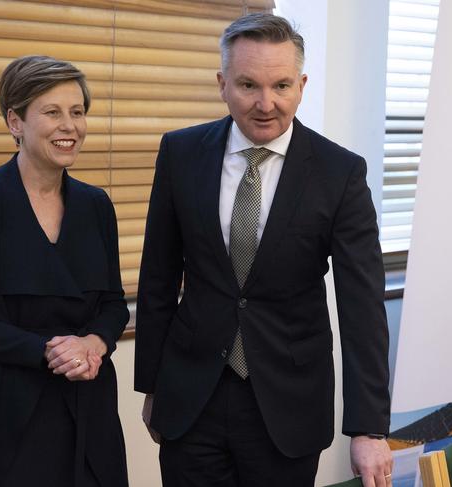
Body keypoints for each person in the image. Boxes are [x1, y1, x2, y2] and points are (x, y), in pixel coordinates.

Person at [134, 13, 392, 487]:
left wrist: (369, 427)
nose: (265, 103)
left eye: (281, 85)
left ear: (302, 85)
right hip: (192, 400)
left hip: (288, 408)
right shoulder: (180, 153)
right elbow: (157, 279)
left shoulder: (341, 174)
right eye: (248, 85)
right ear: (222, 84)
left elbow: (362, 307)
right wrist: (152, 386)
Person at [0, 55, 129, 487]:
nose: (69, 126)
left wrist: (94, 342)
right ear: (14, 121)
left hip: (86, 408)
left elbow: (113, 303)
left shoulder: (97, 205)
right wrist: (45, 350)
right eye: (52, 112)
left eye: (77, 113)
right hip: (0, 411)